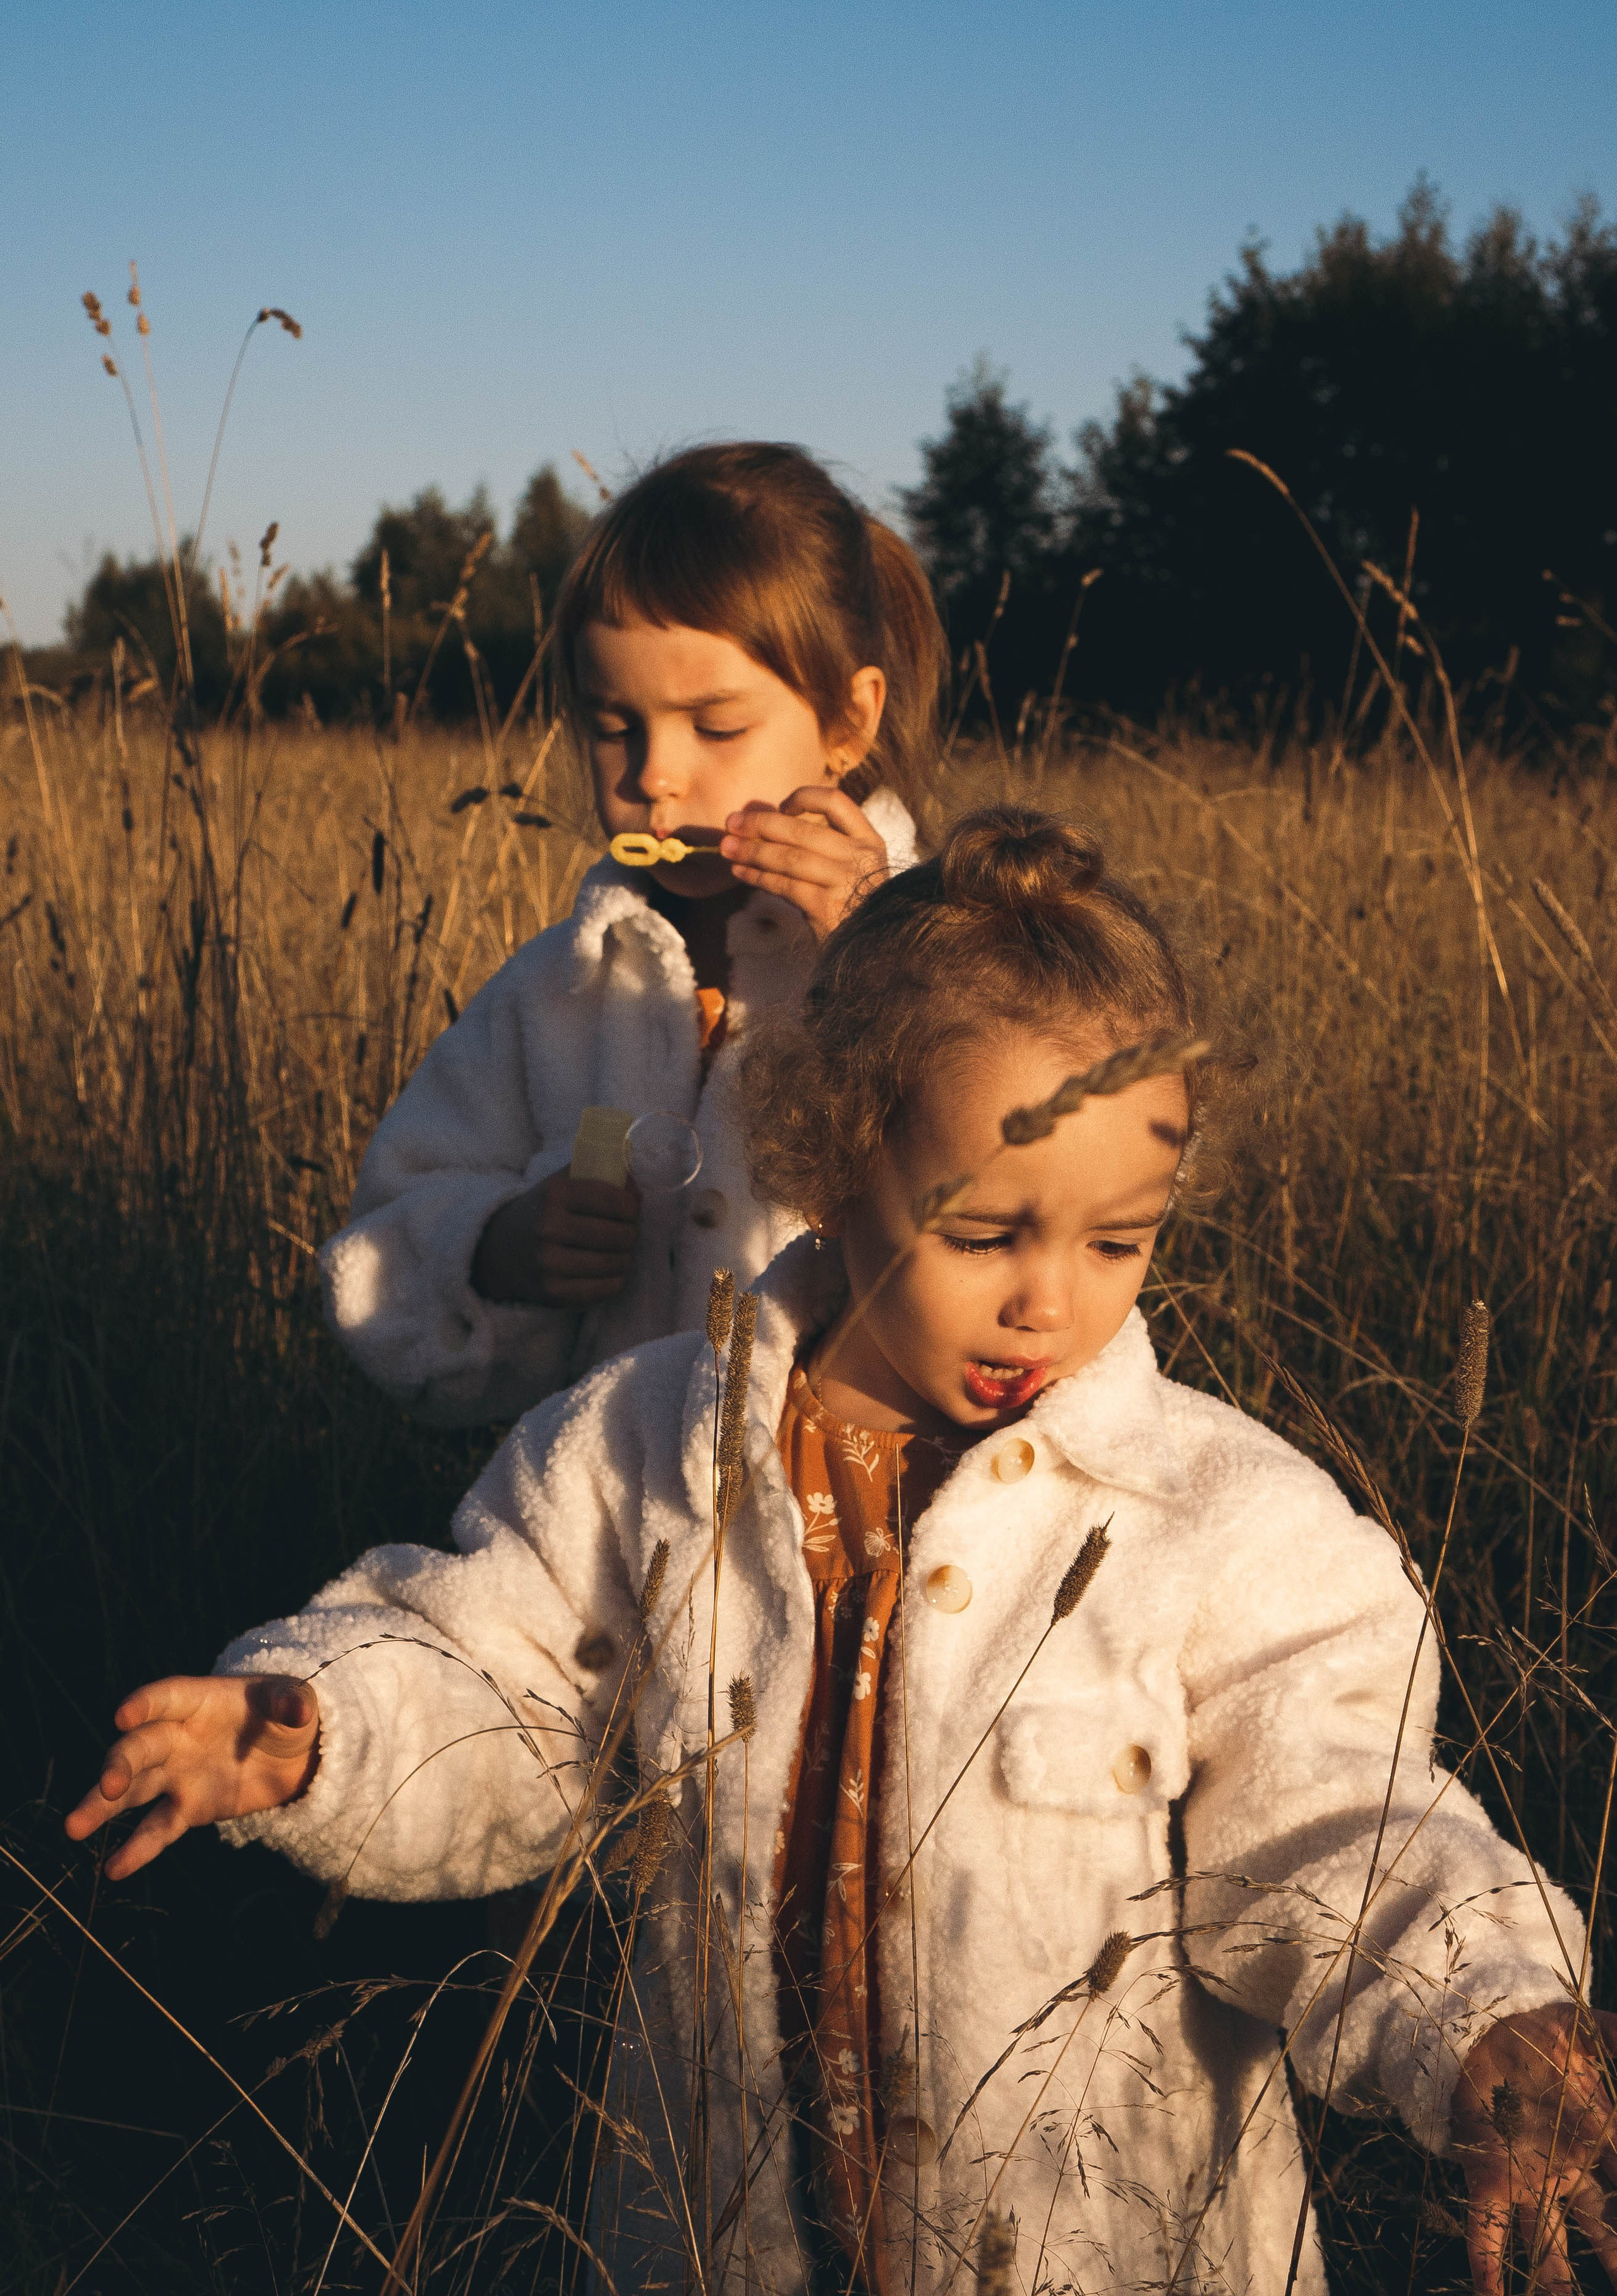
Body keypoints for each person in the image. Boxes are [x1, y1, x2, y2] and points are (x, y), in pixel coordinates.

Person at [68, 809, 1615, 2296]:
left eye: (1113, 1241)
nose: (1046, 1301)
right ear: (834, 1147)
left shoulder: (1216, 1522)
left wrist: (1480, 2011)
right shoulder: (641, 1448)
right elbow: (499, 1680)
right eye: (983, 1230)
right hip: (714, 2235)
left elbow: (1338, 1819)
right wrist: (320, 1730)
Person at [320, 441, 946, 1426]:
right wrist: (498, 1247)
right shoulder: (555, 994)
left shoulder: (948, 953)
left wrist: (887, 948)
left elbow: (1044, 1179)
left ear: (849, 723)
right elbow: (385, 1247)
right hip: (600, 1520)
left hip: (860, 1524)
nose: (656, 774)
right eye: (616, 725)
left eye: (715, 726)